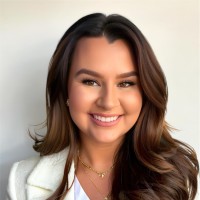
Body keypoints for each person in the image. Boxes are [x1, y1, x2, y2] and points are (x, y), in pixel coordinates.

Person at [7, 13, 199, 200]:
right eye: (90, 82)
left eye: (126, 83)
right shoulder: (21, 180)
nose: (108, 102)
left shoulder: (176, 176)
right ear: (65, 89)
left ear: (145, 93)